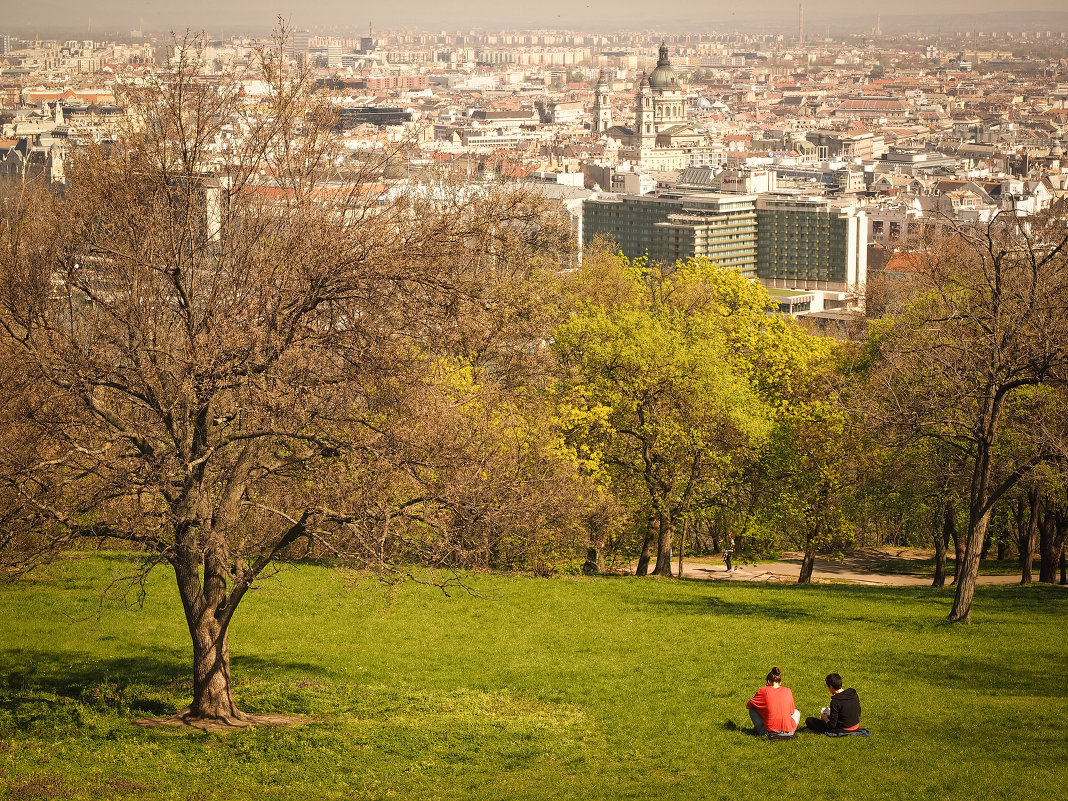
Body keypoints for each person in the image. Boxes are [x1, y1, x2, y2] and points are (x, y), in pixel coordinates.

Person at [746, 667, 800, 736]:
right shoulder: (788, 691)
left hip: (769, 733)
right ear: (780, 682)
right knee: (797, 712)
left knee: (752, 710)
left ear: (768, 682)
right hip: (788, 732)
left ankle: (762, 730)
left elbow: (749, 706)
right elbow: (792, 711)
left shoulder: (764, 690)